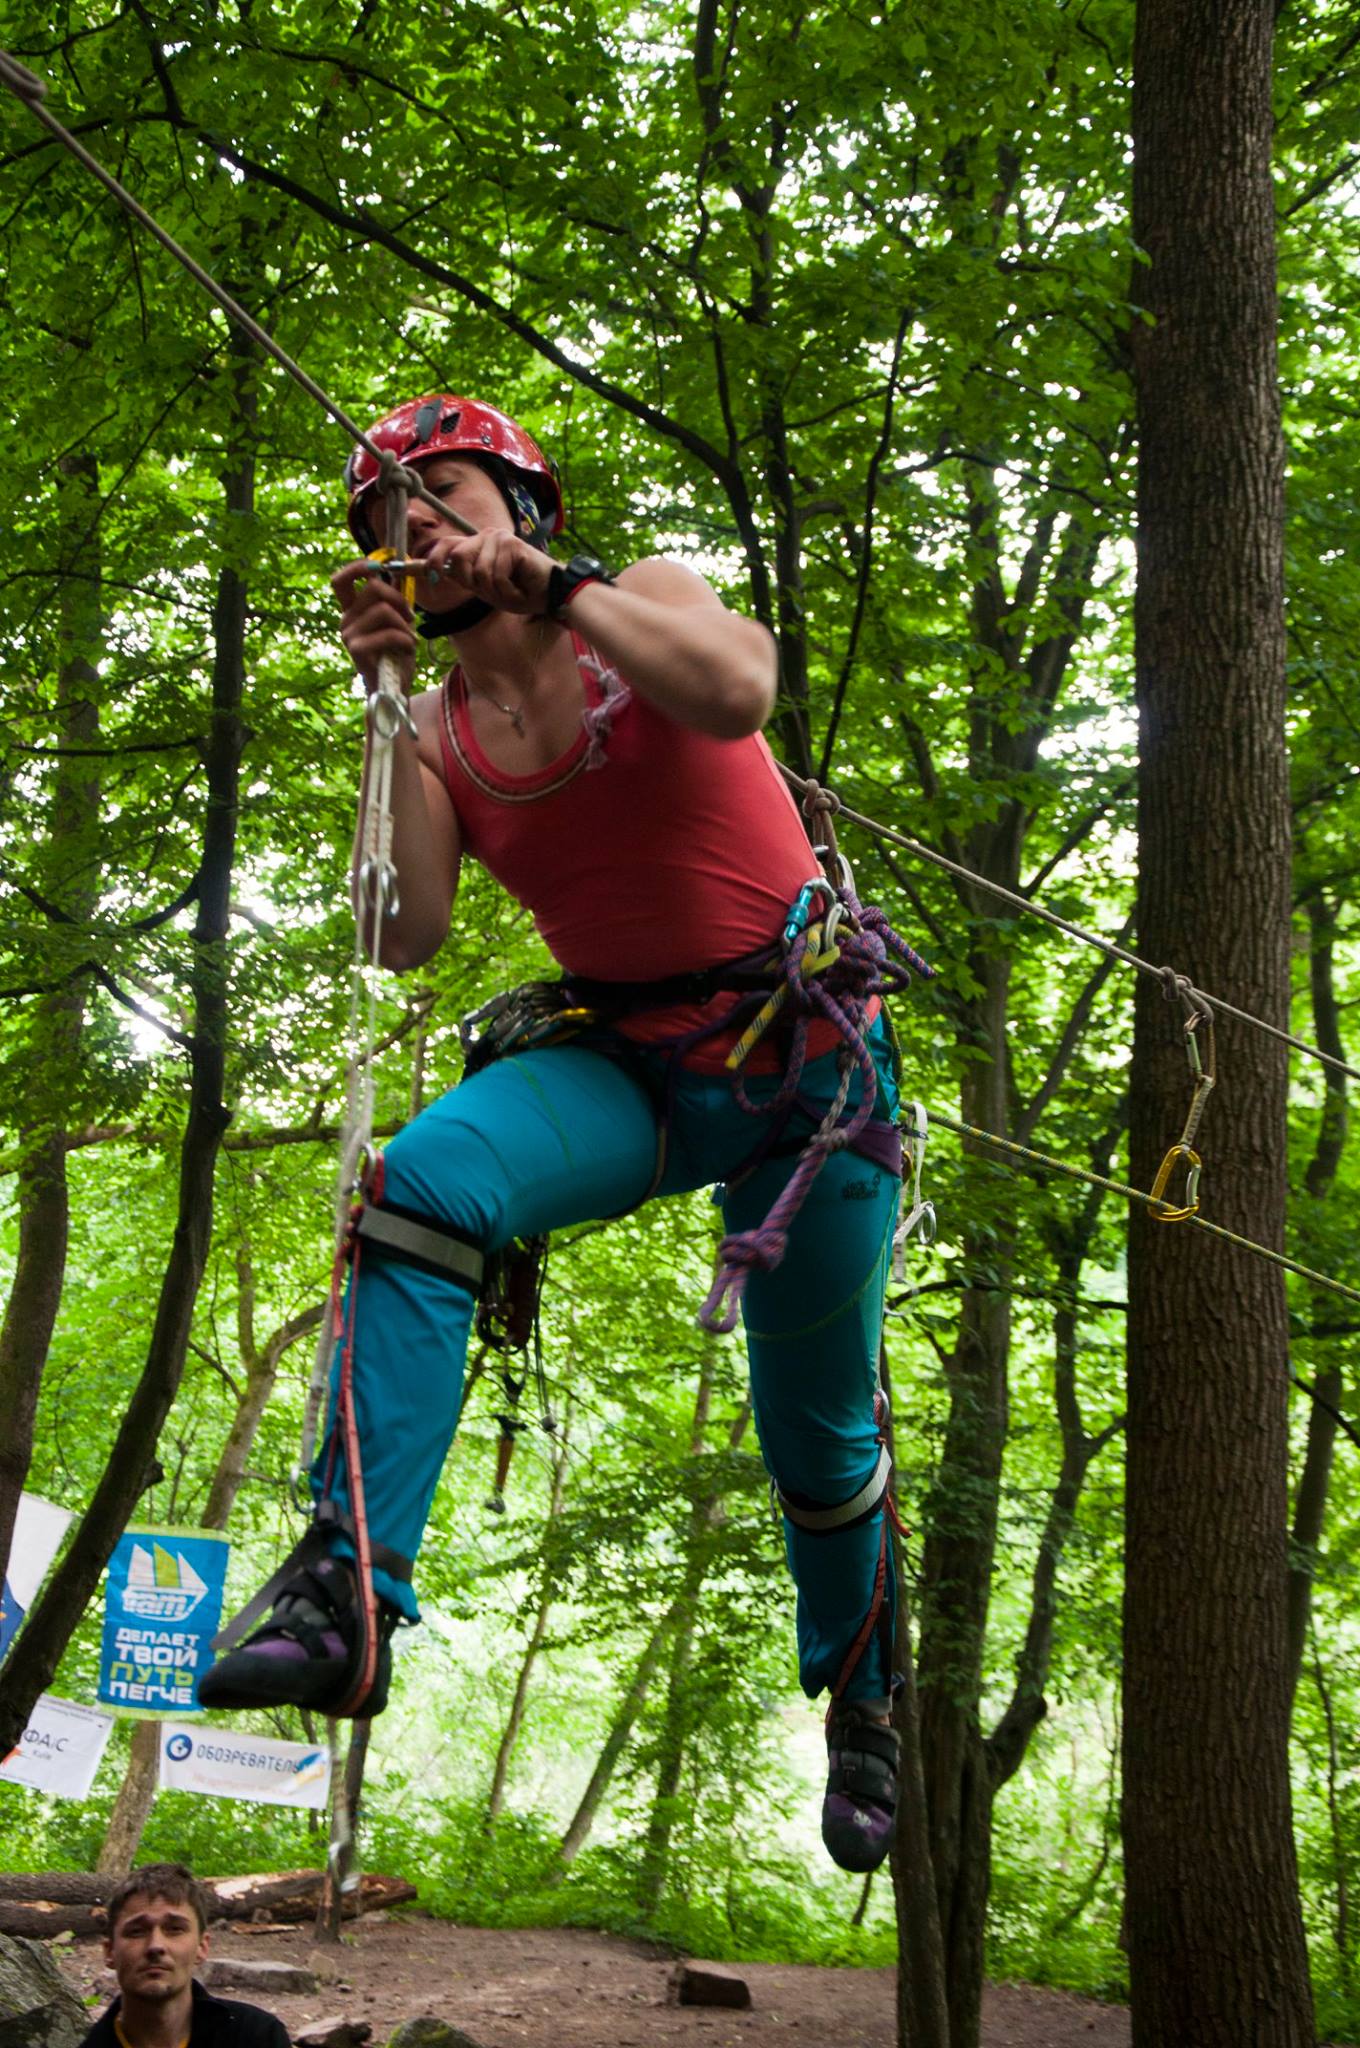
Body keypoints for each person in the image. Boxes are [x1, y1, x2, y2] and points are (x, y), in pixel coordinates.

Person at [201, 395, 910, 1872]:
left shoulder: (636, 604)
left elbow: (733, 694)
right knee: (427, 1183)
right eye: (390, 515)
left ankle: (863, 1695)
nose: (417, 523)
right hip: (635, 1065)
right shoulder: (448, 729)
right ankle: (347, 1586)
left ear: (521, 504)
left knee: (818, 1439)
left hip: (809, 1067)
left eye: (442, 490)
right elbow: (406, 933)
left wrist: (562, 591)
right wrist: (387, 704)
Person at [82, 1863, 290, 2048]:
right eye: (137, 1931)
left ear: (202, 1946)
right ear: (110, 1951)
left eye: (174, 1929)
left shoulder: (257, 2037)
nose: (156, 1946)